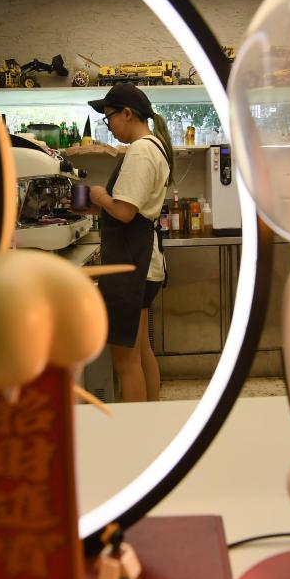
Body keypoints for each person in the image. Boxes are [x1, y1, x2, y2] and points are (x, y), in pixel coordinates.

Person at [79, 83, 174, 402]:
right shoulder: (154, 146)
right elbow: (130, 207)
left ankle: (137, 428)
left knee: (126, 362)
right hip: (143, 263)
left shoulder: (141, 151)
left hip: (132, 266)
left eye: (109, 118)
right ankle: (152, 419)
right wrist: (100, 207)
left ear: (128, 114)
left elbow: (124, 211)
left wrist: (99, 196)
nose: (109, 126)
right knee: (142, 351)